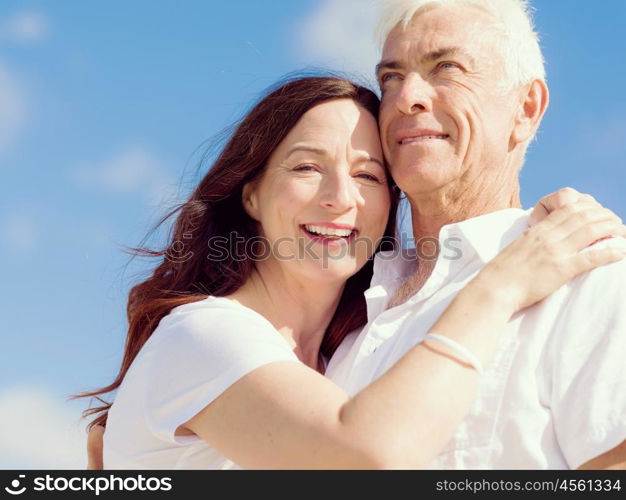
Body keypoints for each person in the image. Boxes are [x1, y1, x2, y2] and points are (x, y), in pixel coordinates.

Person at [78, 75, 625, 469]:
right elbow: (364, 458)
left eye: (367, 176)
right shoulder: (204, 334)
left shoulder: (343, 361)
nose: (341, 199)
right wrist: (501, 285)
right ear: (250, 193)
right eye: (307, 167)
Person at [325, 0, 626, 469]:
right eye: (391, 77)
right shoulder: (343, 323)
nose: (407, 98)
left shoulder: (593, 278)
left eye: (447, 67)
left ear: (526, 109)